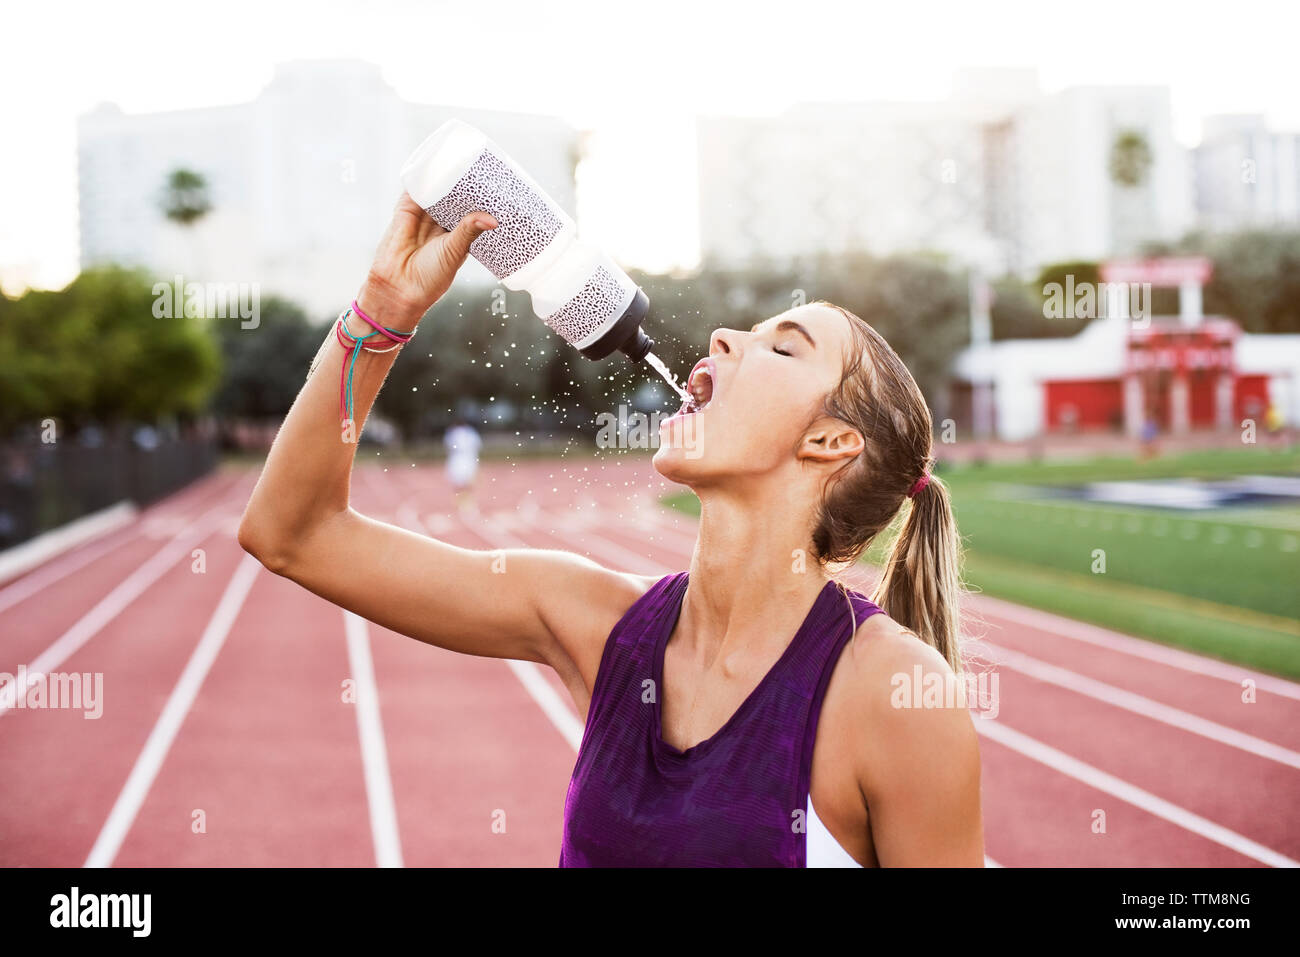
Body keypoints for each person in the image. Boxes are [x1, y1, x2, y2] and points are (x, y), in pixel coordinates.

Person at [238, 192, 984, 867]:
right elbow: (292, 534)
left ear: (829, 442)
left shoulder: (891, 694)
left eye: (782, 346)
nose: (724, 338)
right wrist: (382, 309)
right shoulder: (596, 622)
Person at [443, 415, 481, 513]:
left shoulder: (454, 432)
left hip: (461, 457)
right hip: (465, 457)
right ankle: (464, 500)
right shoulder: (470, 432)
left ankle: (462, 500)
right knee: (464, 480)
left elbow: (447, 445)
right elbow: (478, 445)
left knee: (461, 480)